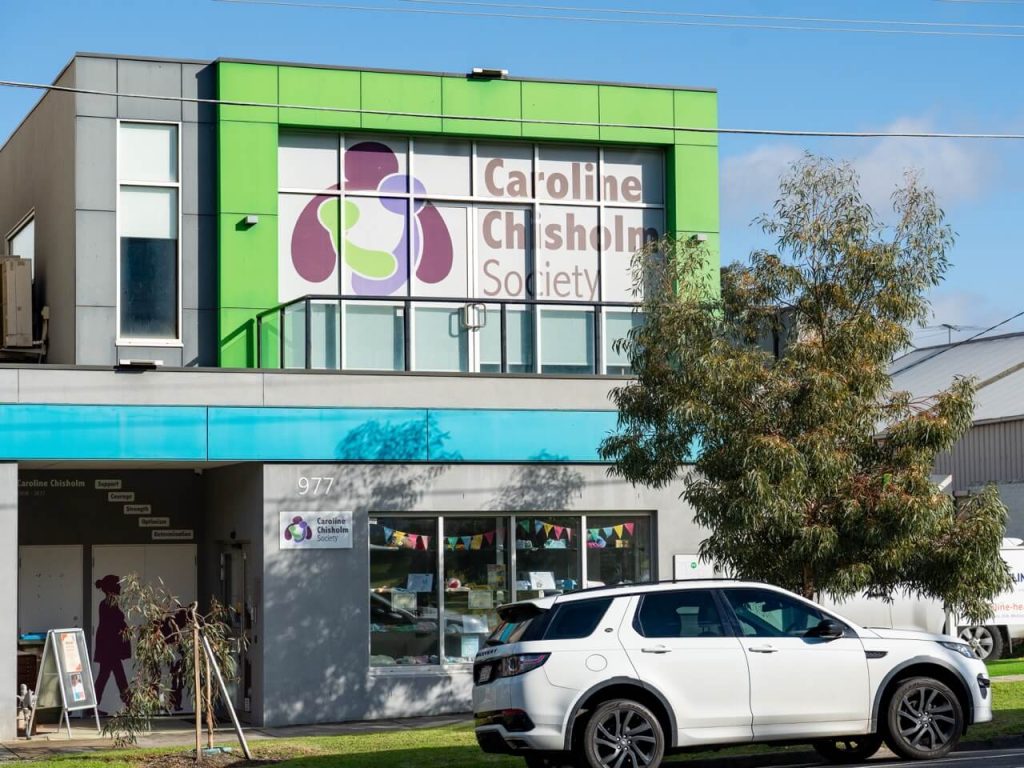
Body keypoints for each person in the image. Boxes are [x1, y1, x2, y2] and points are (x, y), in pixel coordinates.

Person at [93, 574, 131, 711]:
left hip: (109, 649)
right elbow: (112, 627)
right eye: (118, 584)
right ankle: (130, 704)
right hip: (110, 649)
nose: (120, 586)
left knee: (106, 676)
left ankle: (93, 706)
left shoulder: (108, 603)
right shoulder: (109, 604)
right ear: (111, 588)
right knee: (116, 676)